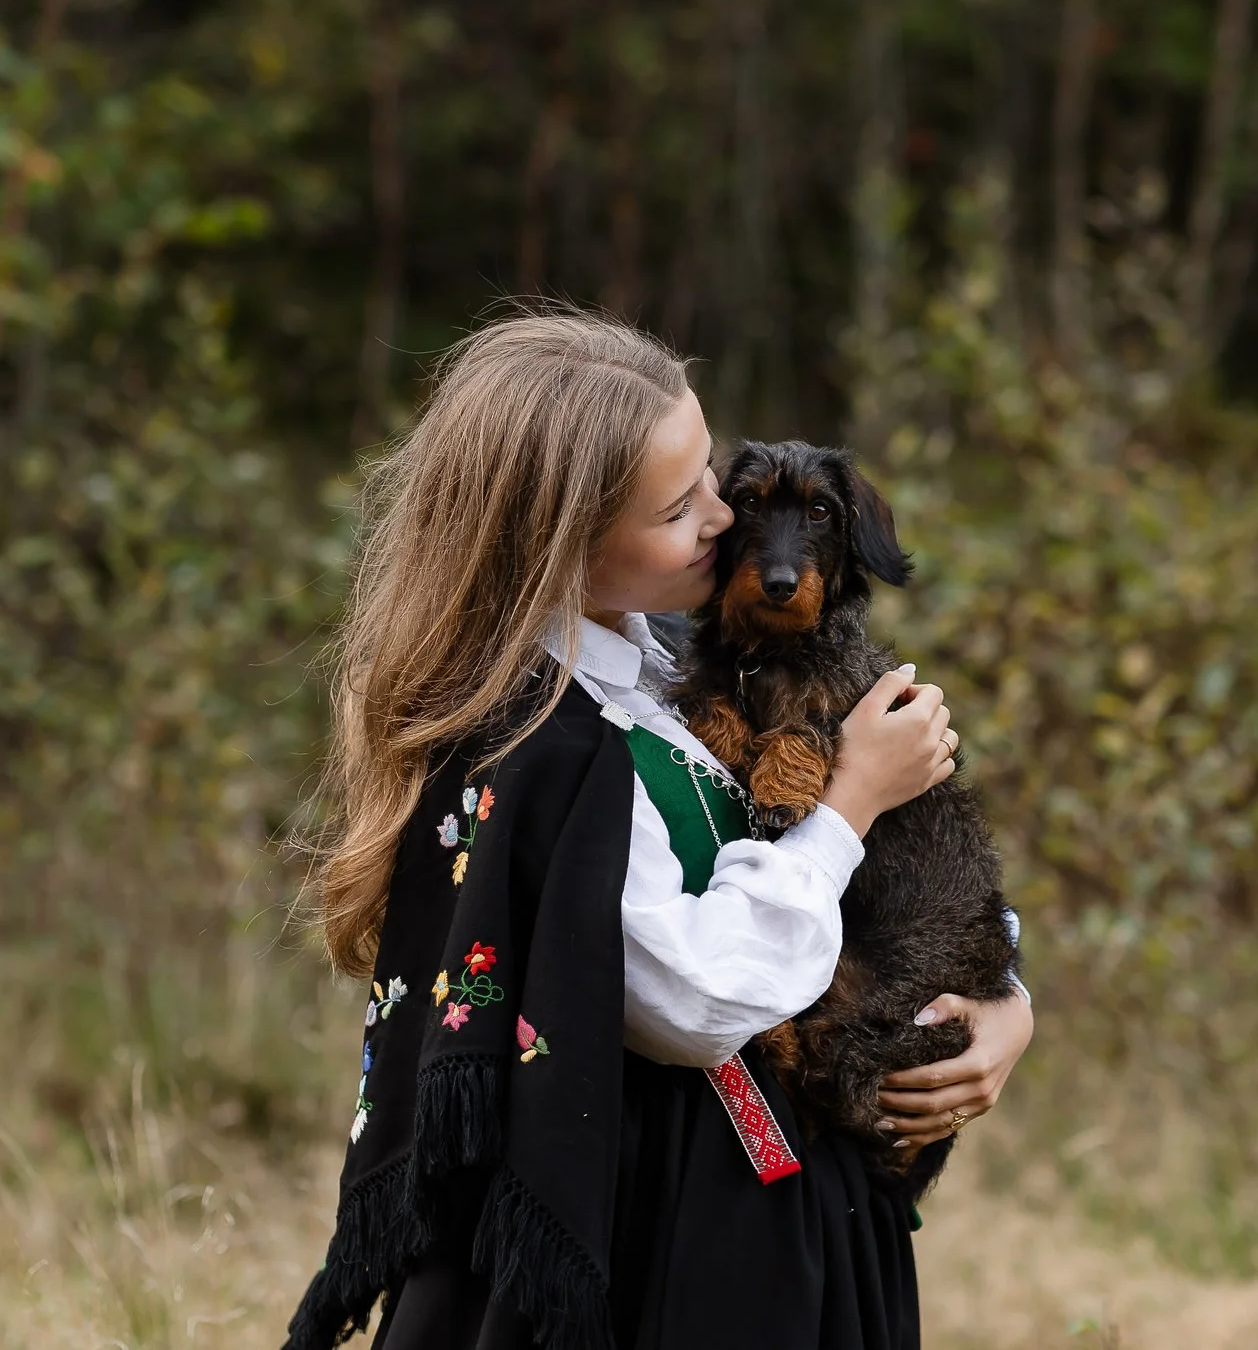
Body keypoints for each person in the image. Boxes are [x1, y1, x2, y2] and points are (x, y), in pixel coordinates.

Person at [284, 312, 1033, 1350]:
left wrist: (1003, 1001)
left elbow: (916, 873)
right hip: (654, 1239)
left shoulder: (688, 660)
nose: (729, 521)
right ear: (561, 541)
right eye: (684, 506)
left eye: (710, 482)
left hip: (789, 1211)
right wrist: (846, 803)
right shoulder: (540, 742)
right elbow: (692, 996)